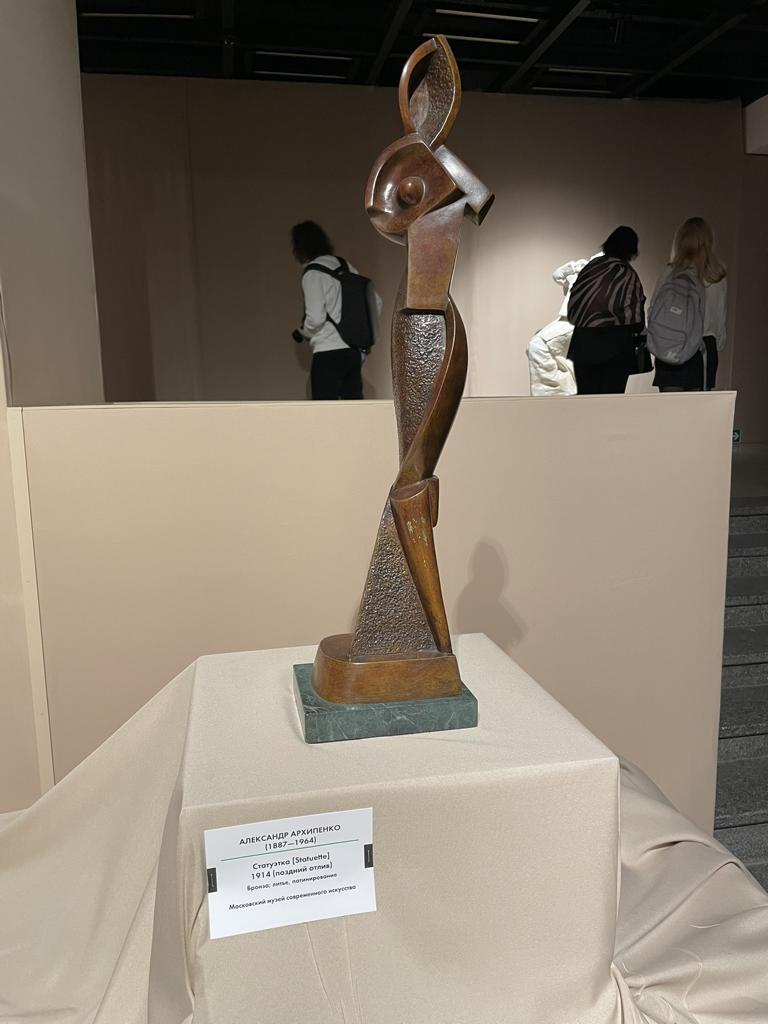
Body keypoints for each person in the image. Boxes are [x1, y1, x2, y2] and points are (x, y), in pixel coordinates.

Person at [291, 221, 378, 400]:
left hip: (327, 351)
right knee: (352, 410)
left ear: (300, 247)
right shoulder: (344, 265)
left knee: (324, 411)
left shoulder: (312, 273)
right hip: (353, 353)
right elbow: (375, 301)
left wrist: (303, 332)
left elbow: (315, 317)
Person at [567, 226, 646, 395]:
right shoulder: (626, 273)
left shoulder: (591, 267)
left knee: (587, 398)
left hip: (583, 343)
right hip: (615, 346)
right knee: (610, 400)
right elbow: (636, 318)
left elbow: (574, 305)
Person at [652, 217, 726, 392]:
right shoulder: (716, 276)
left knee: (670, 406)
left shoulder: (670, 272)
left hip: (671, 344)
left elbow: (654, 309)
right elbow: (719, 320)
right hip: (703, 348)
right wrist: (717, 345)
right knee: (697, 408)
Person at [526, 258, 588, 396]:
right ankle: (563, 389)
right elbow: (557, 275)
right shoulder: (582, 269)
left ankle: (555, 393)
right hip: (570, 318)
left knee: (538, 345)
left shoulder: (599, 268)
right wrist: (575, 267)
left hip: (579, 320)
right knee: (552, 352)